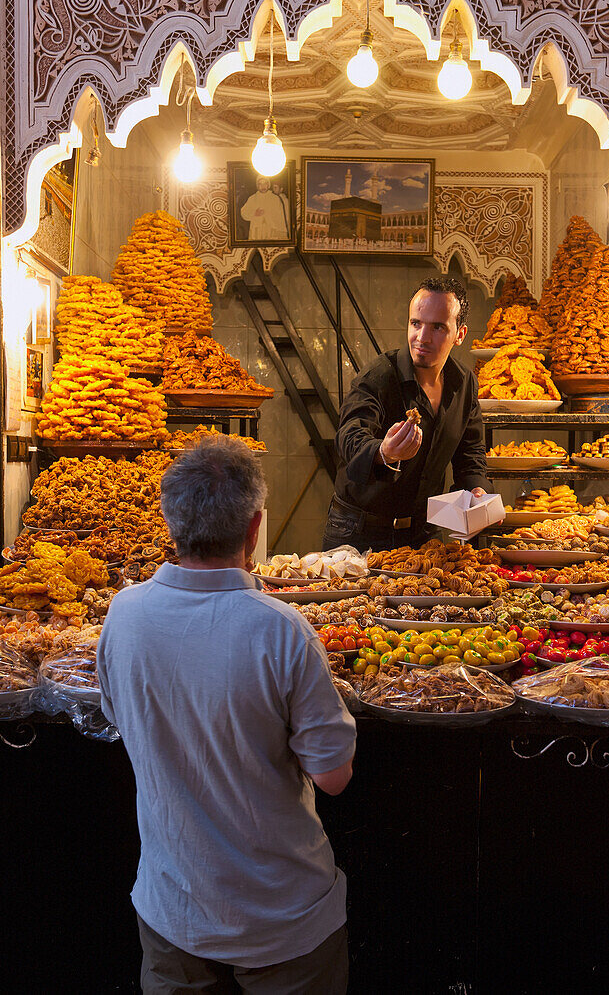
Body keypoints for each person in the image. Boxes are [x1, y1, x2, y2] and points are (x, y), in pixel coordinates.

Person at [97, 437, 356, 994]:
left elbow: (120, 719)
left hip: (174, 911)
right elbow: (334, 777)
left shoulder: (124, 614)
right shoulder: (282, 629)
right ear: (255, 527)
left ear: (169, 521)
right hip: (282, 924)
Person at [323, 275, 492, 552]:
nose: (422, 338)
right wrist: (383, 452)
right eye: (416, 324)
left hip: (423, 533)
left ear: (460, 334)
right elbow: (349, 436)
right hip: (359, 531)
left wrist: (477, 491)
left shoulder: (464, 383)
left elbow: (471, 453)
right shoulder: (378, 376)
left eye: (438, 327)